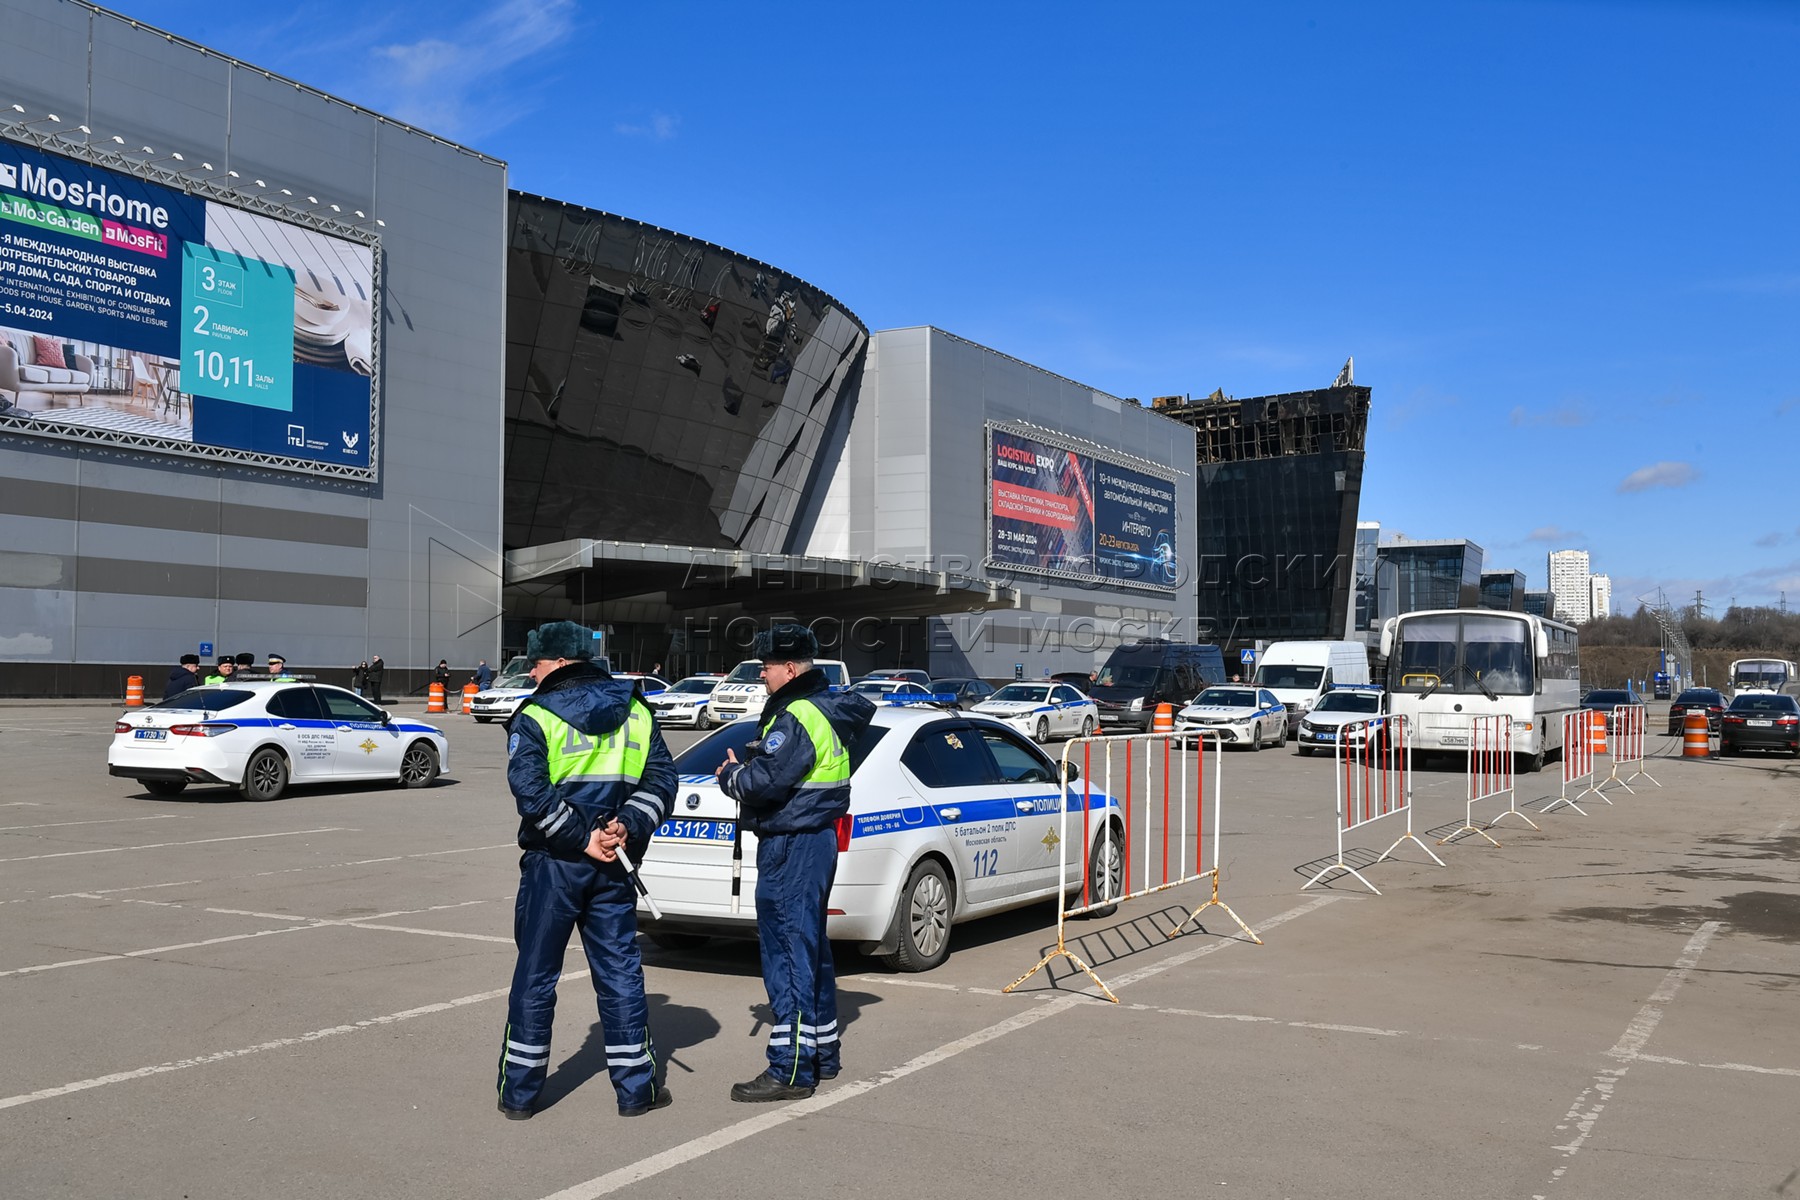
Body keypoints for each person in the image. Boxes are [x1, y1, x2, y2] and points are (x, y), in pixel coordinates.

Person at [496, 621, 676, 1122]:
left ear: (557, 662)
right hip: (615, 861)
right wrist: (628, 824)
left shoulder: (535, 714)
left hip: (556, 863)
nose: (531, 670)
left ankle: (520, 1096)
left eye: (536, 661)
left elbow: (531, 793)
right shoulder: (636, 708)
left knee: (536, 976)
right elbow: (663, 778)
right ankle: (636, 1091)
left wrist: (581, 838)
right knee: (620, 973)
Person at [715, 625, 875, 1102]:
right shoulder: (826, 707)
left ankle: (789, 1069)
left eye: (766, 666)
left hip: (791, 843)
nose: (761, 674)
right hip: (815, 839)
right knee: (809, 949)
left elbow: (764, 782)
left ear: (789, 668)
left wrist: (731, 775)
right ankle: (822, 1054)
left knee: (787, 951)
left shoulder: (796, 714)